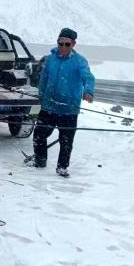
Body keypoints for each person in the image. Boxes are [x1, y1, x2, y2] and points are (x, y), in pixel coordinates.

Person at [32, 27, 95, 177]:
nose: (63, 47)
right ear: (57, 42)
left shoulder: (79, 61)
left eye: (67, 44)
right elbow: (44, 78)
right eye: (61, 43)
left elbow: (88, 78)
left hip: (69, 108)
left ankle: (62, 167)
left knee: (66, 141)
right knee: (39, 134)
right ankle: (40, 160)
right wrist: (41, 95)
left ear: (73, 44)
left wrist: (88, 91)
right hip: (49, 106)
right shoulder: (50, 59)